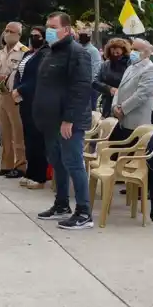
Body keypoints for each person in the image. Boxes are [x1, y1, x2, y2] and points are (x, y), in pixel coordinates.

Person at [34, 12, 94, 230]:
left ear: (67, 30)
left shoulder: (77, 53)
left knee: (73, 163)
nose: (49, 30)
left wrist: (69, 118)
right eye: (47, 26)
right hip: (50, 120)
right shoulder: (50, 52)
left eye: (53, 26)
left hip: (69, 121)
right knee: (58, 163)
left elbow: (81, 89)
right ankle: (61, 204)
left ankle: (84, 212)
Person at [0, 21, 28, 178]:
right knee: (4, 132)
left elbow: (22, 74)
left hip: (15, 96)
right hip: (2, 94)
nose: (7, 33)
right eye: (6, 30)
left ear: (18, 35)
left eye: (11, 31)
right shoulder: (0, 53)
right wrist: (4, 78)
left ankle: (20, 166)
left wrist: (8, 79)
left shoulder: (23, 51)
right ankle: (6, 165)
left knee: (17, 132)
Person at [13, 25, 48, 189]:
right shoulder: (28, 53)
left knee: (37, 139)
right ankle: (30, 171)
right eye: (32, 35)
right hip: (24, 100)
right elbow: (20, 73)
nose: (33, 38)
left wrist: (20, 89)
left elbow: (37, 78)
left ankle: (39, 175)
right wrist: (16, 89)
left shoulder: (46, 54)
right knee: (28, 137)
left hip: (36, 99)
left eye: (37, 35)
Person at [110, 39, 153, 142]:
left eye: (135, 49)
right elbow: (120, 88)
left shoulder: (150, 69)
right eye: (132, 49)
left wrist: (122, 109)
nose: (132, 52)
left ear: (145, 52)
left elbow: (142, 94)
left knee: (129, 156)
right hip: (122, 120)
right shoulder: (130, 67)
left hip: (136, 122)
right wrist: (114, 106)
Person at [93, 38, 130, 117]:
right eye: (113, 52)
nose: (115, 55)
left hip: (123, 103)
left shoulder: (129, 65)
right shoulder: (105, 65)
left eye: (118, 53)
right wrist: (109, 89)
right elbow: (95, 81)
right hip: (107, 103)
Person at [78, 28, 102, 109]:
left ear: (89, 37)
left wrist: (91, 82)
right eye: (80, 35)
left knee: (91, 108)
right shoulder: (77, 48)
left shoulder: (93, 50)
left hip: (90, 85)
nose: (81, 37)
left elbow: (97, 67)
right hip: (80, 84)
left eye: (84, 35)